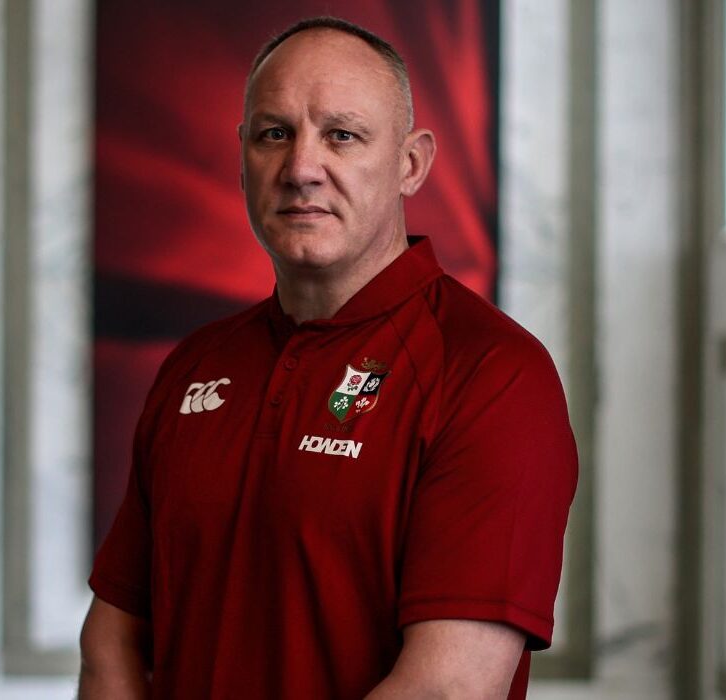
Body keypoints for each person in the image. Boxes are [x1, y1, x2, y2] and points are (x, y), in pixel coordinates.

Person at [79, 16, 577, 700]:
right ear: (243, 158)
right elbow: (110, 645)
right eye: (273, 134)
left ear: (410, 164)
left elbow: (447, 688)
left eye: (341, 135)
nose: (300, 169)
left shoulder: (494, 375)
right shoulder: (193, 366)